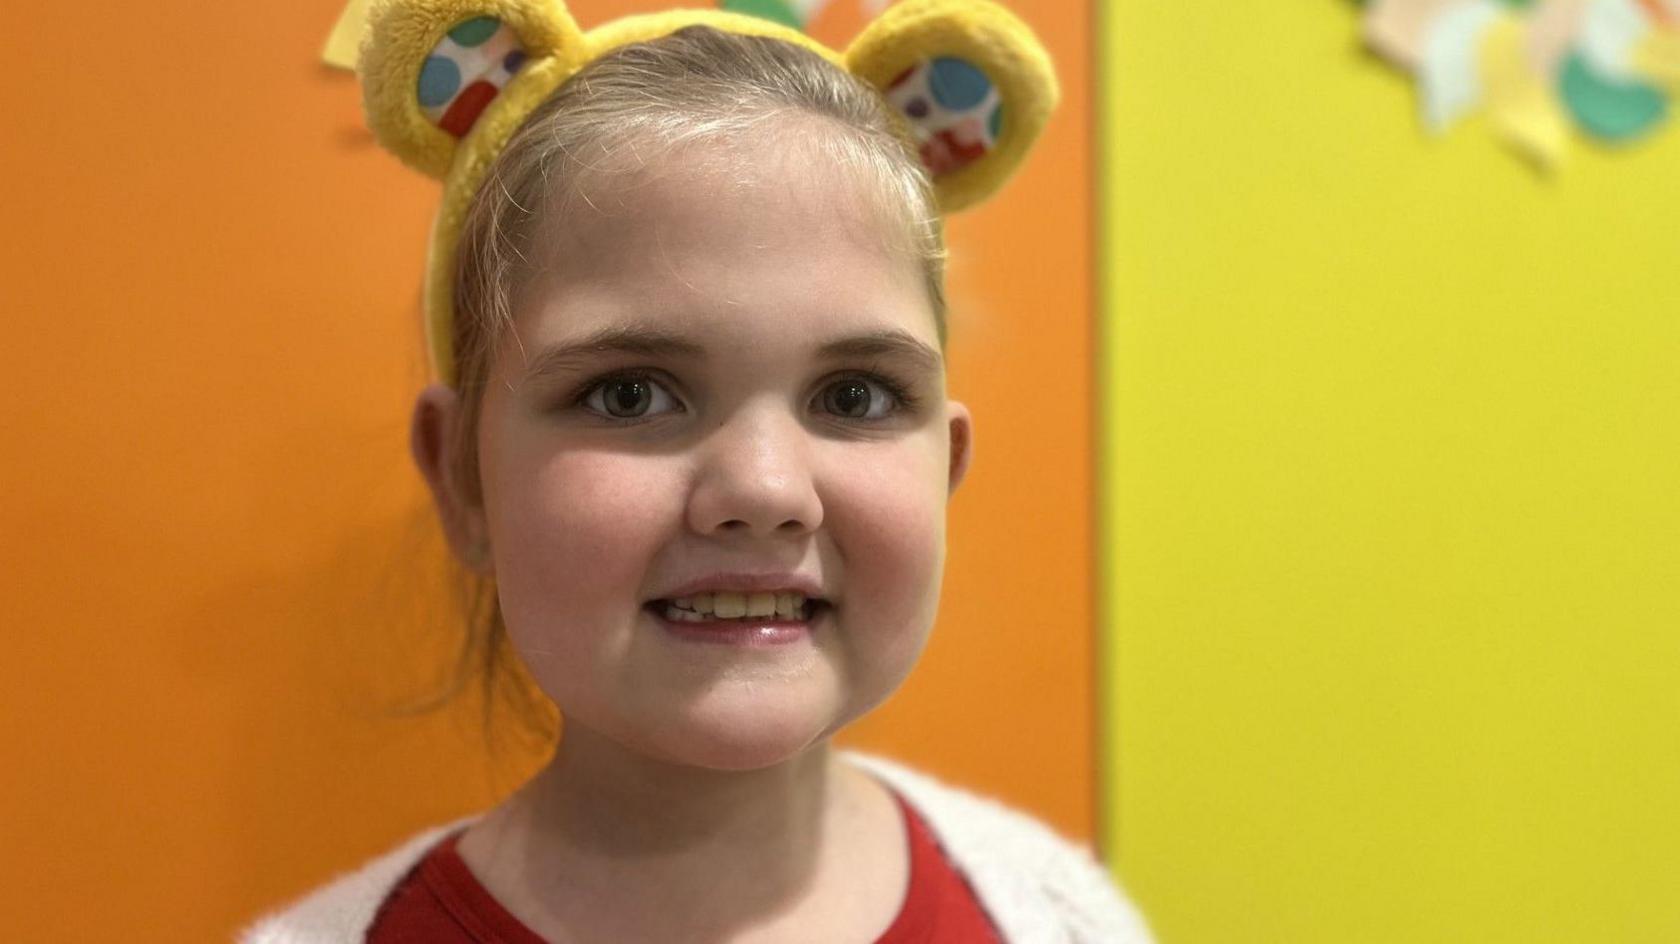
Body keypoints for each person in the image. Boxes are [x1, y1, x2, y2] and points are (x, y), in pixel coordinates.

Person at [242, 1, 1154, 940]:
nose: (763, 491)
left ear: (947, 469)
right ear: (464, 478)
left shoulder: (1059, 917)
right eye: (630, 394)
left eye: (853, 397)